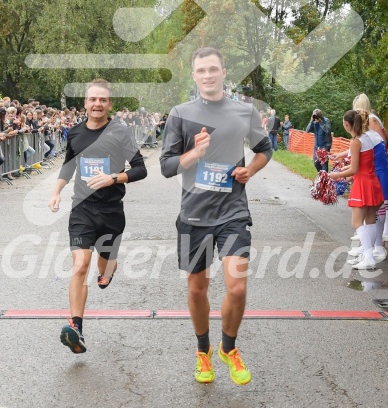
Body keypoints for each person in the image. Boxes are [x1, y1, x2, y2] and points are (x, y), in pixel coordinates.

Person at [160, 47, 272, 386]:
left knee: (236, 287)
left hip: (233, 212)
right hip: (194, 214)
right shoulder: (181, 113)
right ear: (194, 76)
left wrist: (249, 169)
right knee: (198, 289)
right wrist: (195, 151)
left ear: (224, 72)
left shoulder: (243, 111)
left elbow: (265, 149)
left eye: (213, 69)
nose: (207, 75)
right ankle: (202, 351)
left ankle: (228, 348)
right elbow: (166, 166)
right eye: (201, 71)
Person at [48, 79, 147, 354]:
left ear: (109, 104)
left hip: (112, 211)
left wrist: (113, 178)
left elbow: (140, 169)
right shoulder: (76, 133)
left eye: (103, 100)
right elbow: (68, 167)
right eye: (93, 99)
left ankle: (110, 267)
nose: (97, 104)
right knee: (80, 266)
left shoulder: (119, 132)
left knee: (104, 271)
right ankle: (76, 328)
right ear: (85, 103)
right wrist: (56, 191)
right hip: (82, 209)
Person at [329, 110, 383, 270]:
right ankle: (368, 255)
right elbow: (362, 164)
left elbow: (354, 169)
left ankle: (368, 257)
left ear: (347, 124)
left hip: (363, 184)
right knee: (370, 220)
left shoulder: (355, 142)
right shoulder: (367, 137)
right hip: (373, 181)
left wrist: (336, 175)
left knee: (357, 222)